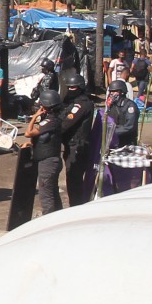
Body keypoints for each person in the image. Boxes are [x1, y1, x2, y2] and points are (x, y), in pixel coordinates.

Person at [55, 71, 102, 207]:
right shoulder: (71, 102)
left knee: (74, 180)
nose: (70, 90)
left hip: (78, 147)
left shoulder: (82, 104)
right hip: (71, 145)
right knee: (72, 180)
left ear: (80, 88)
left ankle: (76, 207)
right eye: (69, 87)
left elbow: (67, 122)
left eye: (73, 87)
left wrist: (53, 128)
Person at [24, 88, 65, 216]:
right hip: (51, 161)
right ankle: (58, 217)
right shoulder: (53, 120)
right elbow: (41, 139)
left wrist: (34, 117)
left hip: (48, 163)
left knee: (46, 195)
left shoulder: (50, 121)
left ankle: (48, 220)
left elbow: (28, 133)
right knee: (52, 192)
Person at [106, 81, 141, 149]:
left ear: (122, 92)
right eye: (111, 91)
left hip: (126, 143)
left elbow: (130, 126)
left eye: (115, 91)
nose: (112, 94)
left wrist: (112, 132)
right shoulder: (112, 105)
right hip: (113, 142)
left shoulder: (130, 106)